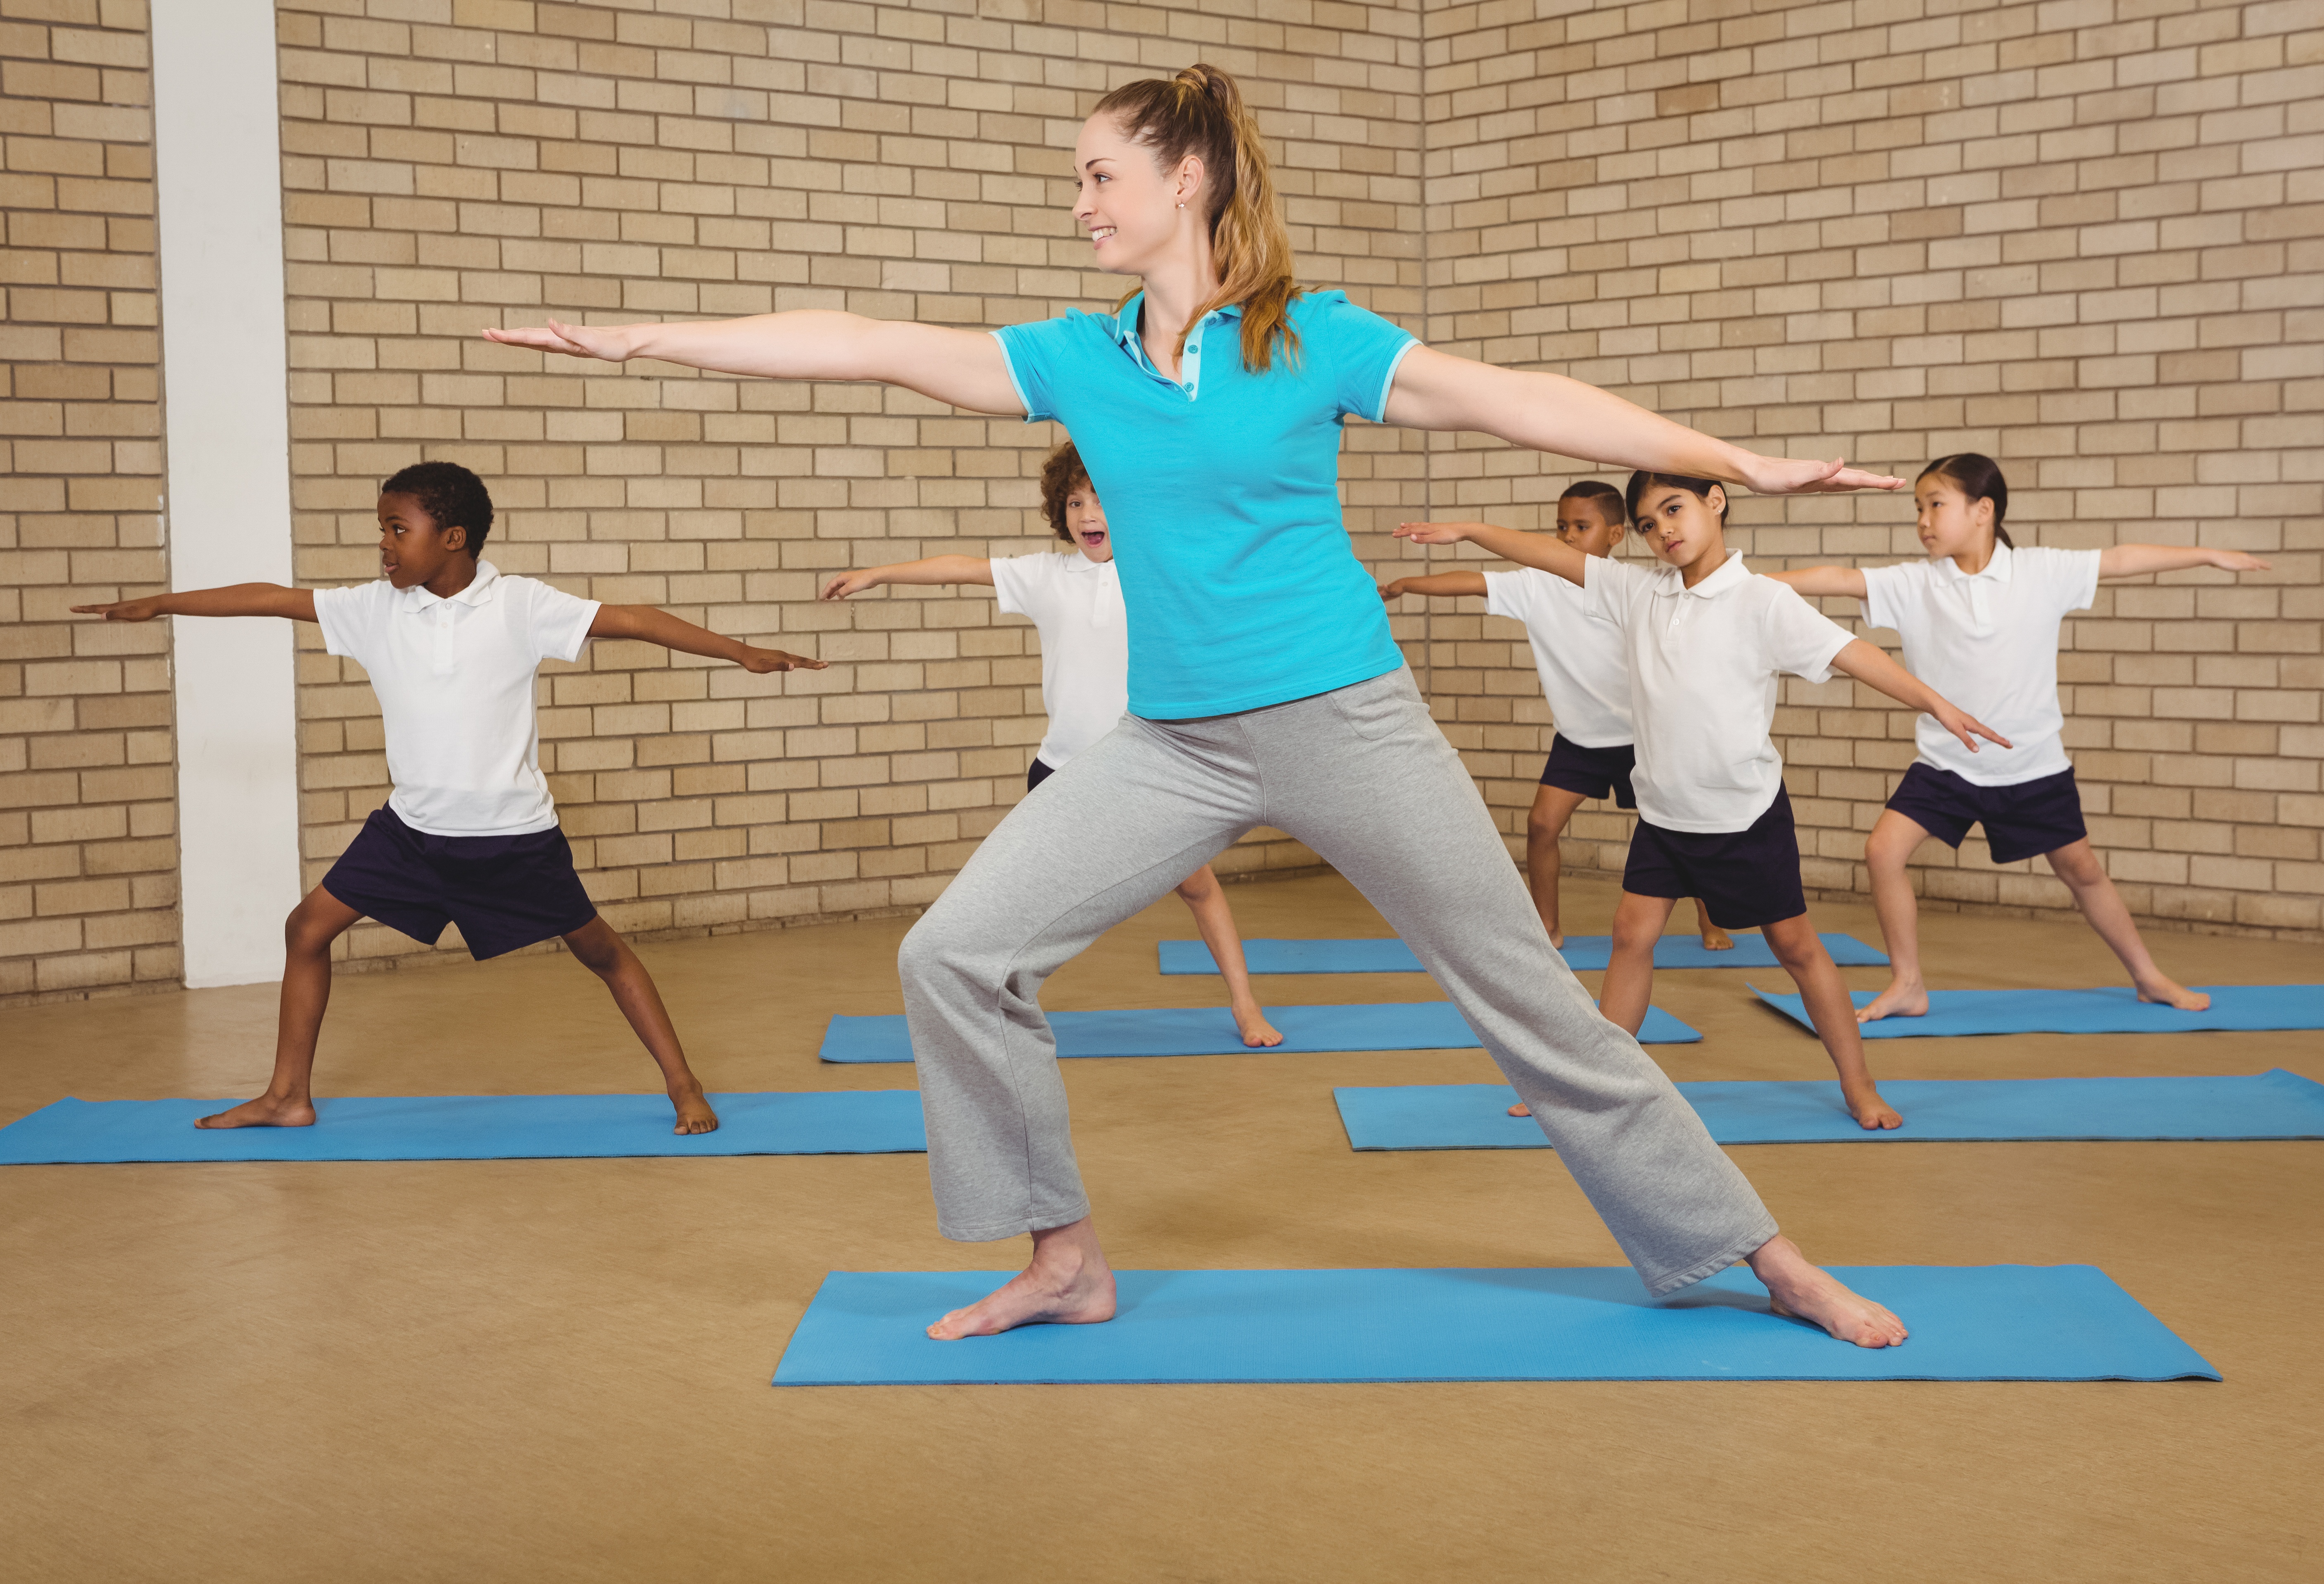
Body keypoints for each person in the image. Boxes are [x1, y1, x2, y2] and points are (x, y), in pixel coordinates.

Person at [486, 64, 1922, 1348]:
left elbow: (1521, 402)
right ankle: (1063, 1256)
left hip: (1345, 719)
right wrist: (649, 338)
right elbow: (866, 340)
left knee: (1534, 1005)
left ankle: (1756, 1254)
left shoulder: (1312, 338)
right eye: (1074, 181)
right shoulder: (1077, 358)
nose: (1077, 205)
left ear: (1188, 179)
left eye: (1096, 176)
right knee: (956, 956)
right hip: (1172, 742)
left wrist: (1744, 460)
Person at [72, 462, 823, 1135]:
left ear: (454, 537)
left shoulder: (520, 605)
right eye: (382, 531)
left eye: (399, 529)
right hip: (413, 833)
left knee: (601, 953)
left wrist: (740, 651)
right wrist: (164, 603)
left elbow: (635, 620)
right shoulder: (374, 609)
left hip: (512, 836)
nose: (385, 545)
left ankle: (684, 1085)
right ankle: (286, 1096)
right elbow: (272, 598)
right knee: (307, 929)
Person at [1397, 473, 2008, 1131]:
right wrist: (1469, 531)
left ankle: (1859, 1086)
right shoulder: (1636, 591)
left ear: (1715, 501)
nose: (1665, 531)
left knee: (1797, 949)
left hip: (1744, 817)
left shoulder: (1762, 601)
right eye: (1649, 523)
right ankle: (1595, 1086)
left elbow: (1854, 654)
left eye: (1675, 510)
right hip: (1663, 815)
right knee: (1631, 936)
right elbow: (1547, 557)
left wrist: (1936, 702)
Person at [1769, 453, 2270, 1021]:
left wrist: (2206, 555)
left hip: (2032, 764)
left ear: (1983, 511)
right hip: (1948, 765)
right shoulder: (1914, 584)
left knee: (2081, 871)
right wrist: (1748, 584)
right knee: (1884, 851)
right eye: (1919, 508)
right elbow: (1836, 579)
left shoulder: (2040, 572)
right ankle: (1908, 983)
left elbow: (2122, 558)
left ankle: (2149, 976)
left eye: (1936, 505)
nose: (1923, 520)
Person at [819, 441, 1284, 1047]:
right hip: (1062, 771)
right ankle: (1000, 999)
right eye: (1075, 502)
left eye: (1104, 501)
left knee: (1199, 888)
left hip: (1149, 770)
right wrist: (881, 574)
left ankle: (1246, 1006)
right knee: (1026, 896)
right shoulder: (1046, 576)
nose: (1089, 515)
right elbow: (963, 568)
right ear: (1059, 512)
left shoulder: (1161, 570)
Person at [1380, 479, 1735, 952]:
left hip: (1642, 739)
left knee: (1678, 830)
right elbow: (1472, 582)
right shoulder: (1536, 586)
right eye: (1562, 526)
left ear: (1614, 535)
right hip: (1580, 741)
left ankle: (1711, 920)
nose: (1568, 536)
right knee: (1542, 825)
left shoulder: (1629, 590)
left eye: (1582, 527)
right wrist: (1408, 585)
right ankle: (1547, 926)